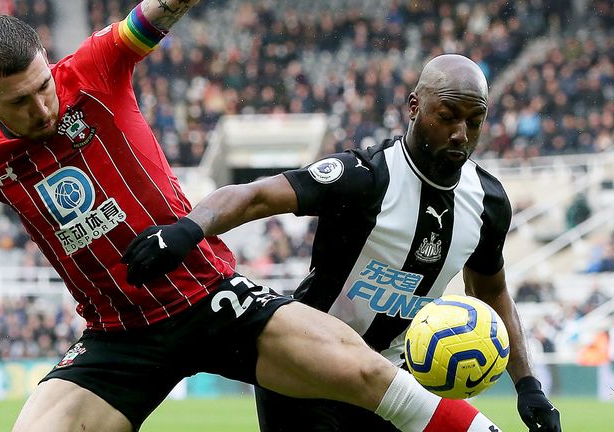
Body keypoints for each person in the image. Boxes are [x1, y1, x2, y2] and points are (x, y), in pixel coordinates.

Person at [0, 2, 500, 431]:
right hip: (118, 334)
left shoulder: (97, 66)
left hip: (212, 297)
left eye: (45, 85)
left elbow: (162, 7)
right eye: (20, 101)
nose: (44, 107)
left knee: (365, 374)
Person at [123, 54, 562, 432]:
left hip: (391, 377)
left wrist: (528, 386)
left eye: (475, 120)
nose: (461, 134)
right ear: (414, 106)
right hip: (306, 366)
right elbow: (256, 195)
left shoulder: (488, 201)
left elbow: (491, 291)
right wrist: (188, 229)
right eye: (448, 115)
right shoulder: (365, 177)